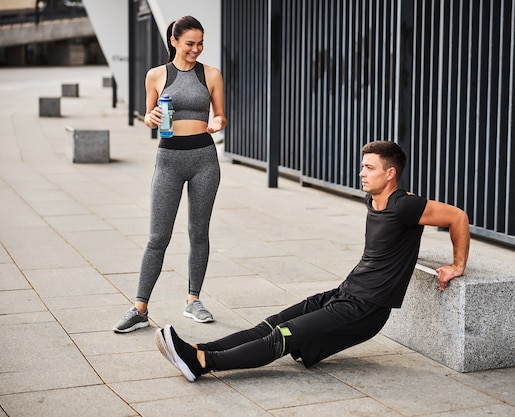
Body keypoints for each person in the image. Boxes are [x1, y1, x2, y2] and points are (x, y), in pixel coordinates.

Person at [155, 141, 469, 381]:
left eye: (369, 168)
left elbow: (457, 217)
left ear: (390, 174)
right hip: (345, 292)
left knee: (284, 336)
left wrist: (457, 265)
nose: (361, 172)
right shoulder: (373, 198)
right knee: (272, 323)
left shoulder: (406, 205)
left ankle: (201, 365)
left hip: (366, 308)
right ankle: (199, 349)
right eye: (362, 166)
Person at [113, 16, 227, 333]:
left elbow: (220, 116)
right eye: (190, 43)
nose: (196, 49)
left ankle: (194, 300)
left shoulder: (212, 74)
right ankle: (139, 308)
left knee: (198, 232)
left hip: (205, 158)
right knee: (157, 236)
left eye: (200, 43)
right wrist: (150, 117)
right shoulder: (156, 75)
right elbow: (150, 120)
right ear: (174, 41)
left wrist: (218, 123)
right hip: (169, 158)